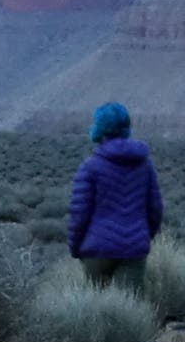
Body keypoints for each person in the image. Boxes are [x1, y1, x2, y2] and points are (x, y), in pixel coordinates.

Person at [66, 103, 163, 297]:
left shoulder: (90, 166)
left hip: (97, 250)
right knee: (131, 306)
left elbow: (79, 214)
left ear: (99, 128)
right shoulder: (145, 165)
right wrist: (143, 237)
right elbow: (155, 209)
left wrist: (75, 247)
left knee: (95, 307)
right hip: (133, 250)